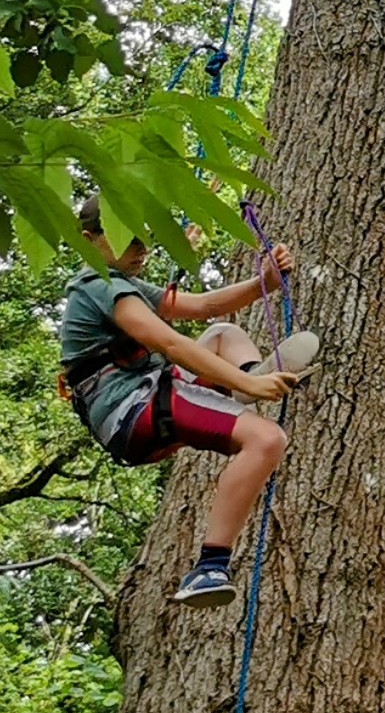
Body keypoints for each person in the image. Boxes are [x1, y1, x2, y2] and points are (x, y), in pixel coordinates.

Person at [56, 206, 320, 606]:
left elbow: (203, 306)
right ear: (88, 240)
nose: (140, 248)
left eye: (143, 236)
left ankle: (243, 378)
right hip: (134, 406)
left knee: (223, 333)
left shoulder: (122, 284)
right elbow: (169, 342)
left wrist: (263, 283)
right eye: (126, 237)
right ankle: (209, 567)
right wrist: (250, 384)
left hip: (144, 401)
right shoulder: (98, 284)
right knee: (267, 440)